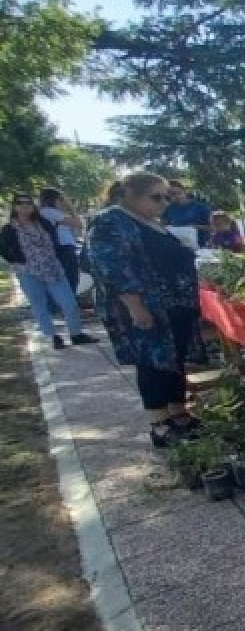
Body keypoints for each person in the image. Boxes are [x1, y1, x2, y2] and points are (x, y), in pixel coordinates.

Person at [85, 172, 204, 448]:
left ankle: (179, 415)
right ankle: (160, 424)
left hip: (173, 305)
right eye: (156, 197)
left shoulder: (149, 222)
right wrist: (136, 307)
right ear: (130, 194)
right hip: (145, 306)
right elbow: (113, 268)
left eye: (166, 197)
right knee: (152, 363)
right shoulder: (110, 222)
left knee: (173, 360)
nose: (163, 202)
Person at [2, 192, 94, 349]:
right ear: (15, 207)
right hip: (28, 272)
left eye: (28, 203)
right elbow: (4, 249)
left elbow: (56, 239)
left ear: (33, 206)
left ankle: (76, 333)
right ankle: (53, 336)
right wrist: (17, 262)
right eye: (20, 203)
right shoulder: (9, 229)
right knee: (39, 305)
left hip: (53, 269)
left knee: (69, 302)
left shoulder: (43, 223)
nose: (24, 207)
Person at [37, 187, 86, 306]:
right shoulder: (48, 211)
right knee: (70, 278)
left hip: (65, 247)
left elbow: (78, 230)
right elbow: (79, 223)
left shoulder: (54, 213)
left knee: (69, 278)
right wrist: (71, 208)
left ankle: (66, 306)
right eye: (61, 199)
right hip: (62, 249)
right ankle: (66, 306)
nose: (63, 201)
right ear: (53, 199)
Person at [162, 179, 213, 247]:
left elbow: (214, 228)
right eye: (171, 194)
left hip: (200, 248)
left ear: (184, 191)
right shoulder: (168, 208)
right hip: (176, 246)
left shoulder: (201, 207)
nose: (176, 196)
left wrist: (196, 227)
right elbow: (162, 227)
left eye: (178, 193)